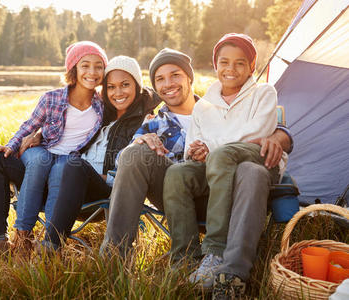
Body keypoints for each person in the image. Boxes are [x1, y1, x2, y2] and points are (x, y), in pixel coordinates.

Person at [99, 47, 293, 261]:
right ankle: (114, 257)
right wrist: (138, 143)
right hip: (179, 199)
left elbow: (258, 129)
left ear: (189, 78)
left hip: (231, 193)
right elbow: (122, 165)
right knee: (136, 155)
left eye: (175, 75)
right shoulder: (153, 123)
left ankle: (221, 259)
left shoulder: (219, 106)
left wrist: (281, 135)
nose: (168, 84)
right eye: (160, 79)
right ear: (155, 87)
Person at [163, 33, 288, 299]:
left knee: (222, 157)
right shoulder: (203, 105)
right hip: (216, 165)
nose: (231, 69)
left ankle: (216, 249)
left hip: (256, 156)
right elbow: (191, 149)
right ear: (215, 64)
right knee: (177, 173)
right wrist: (197, 151)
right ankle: (185, 259)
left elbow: (256, 133)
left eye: (240, 63)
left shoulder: (263, 92)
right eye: (224, 62)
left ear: (251, 66)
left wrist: (213, 147)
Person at [0, 41, 107, 255]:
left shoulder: (102, 106)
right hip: (39, 158)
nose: (92, 72)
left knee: (63, 167)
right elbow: (28, 126)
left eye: (99, 66)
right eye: (85, 65)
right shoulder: (52, 98)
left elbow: (137, 93)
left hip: (68, 167)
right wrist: (11, 146)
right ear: (74, 68)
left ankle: (51, 243)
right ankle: (7, 239)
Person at [39, 55, 161, 252]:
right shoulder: (101, 113)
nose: (117, 92)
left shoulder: (146, 121)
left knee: (73, 165)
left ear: (137, 85)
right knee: (12, 163)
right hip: (70, 184)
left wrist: (89, 175)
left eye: (125, 85)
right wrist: (37, 136)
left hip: (107, 191)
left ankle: (51, 246)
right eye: (111, 87)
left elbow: (131, 175)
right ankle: (9, 236)